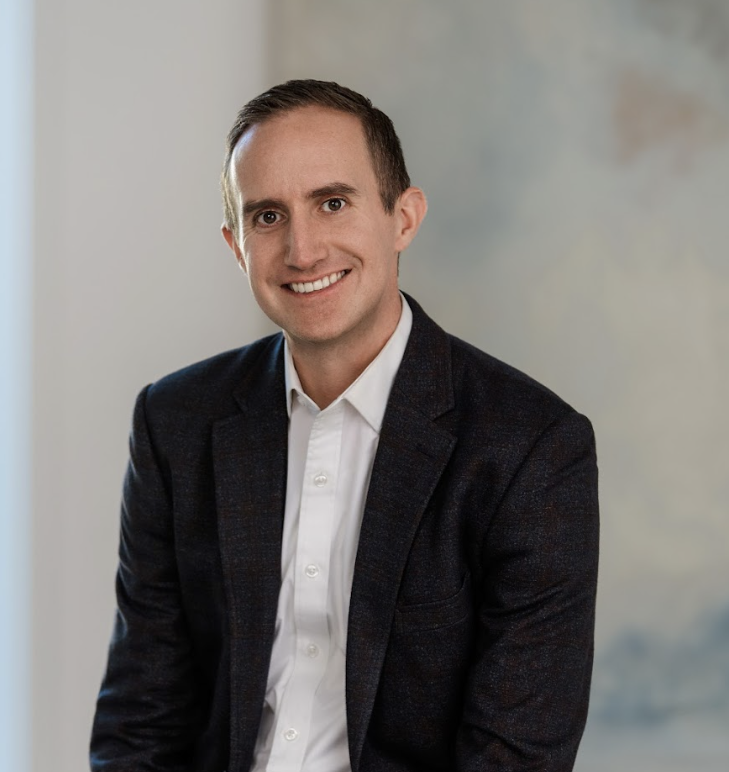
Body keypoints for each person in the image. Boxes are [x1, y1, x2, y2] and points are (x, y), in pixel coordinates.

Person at [90, 79, 599, 772]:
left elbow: (514, 756)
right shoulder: (174, 423)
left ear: (403, 218)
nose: (302, 250)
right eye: (268, 216)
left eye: (332, 203)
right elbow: (140, 722)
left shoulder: (530, 449)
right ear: (236, 246)